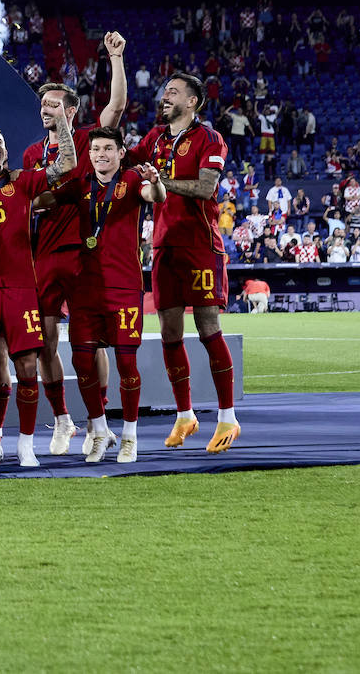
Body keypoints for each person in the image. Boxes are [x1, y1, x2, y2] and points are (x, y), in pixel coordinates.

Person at [22, 31, 128, 455]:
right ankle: (63, 419)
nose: (45, 109)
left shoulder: (87, 140)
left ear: (70, 110)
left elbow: (117, 106)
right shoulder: (31, 154)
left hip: (86, 254)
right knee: (44, 340)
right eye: (42, 104)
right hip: (43, 256)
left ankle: (97, 420)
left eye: (52, 104)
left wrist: (115, 58)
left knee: (92, 341)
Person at [128, 71, 240, 453]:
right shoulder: (154, 139)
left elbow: (207, 188)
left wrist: (162, 181)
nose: (165, 97)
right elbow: (125, 165)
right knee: (170, 333)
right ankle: (185, 415)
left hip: (200, 245)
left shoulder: (210, 138)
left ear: (192, 101)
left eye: (173, 92)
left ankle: (228, 418)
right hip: (164, 247)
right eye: (164, 92)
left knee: (209, 328)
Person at [0, 119, 76, 468]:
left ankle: (25, 444)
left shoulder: (23, 180)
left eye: (1, 141)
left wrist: (63, 123)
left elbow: (66, 164)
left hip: (21, 289)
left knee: (26, 366)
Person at [49, 127, 166, 464]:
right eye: (96, 149)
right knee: (81, 360)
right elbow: (46, 199)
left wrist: (156, 181)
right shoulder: (81, 184)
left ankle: (130, 435)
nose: (101, 154)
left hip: (124, 288)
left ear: (120, 152)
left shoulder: (131, 179)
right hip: (85, 288)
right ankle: (99, 431)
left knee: (126, 361)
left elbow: (154, 197)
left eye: (108, 149)